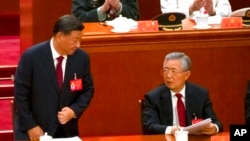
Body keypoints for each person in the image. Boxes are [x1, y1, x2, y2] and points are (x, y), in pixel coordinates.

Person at [14, 15, 94, 140]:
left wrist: (74, 110)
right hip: (35, 130)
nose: (78, 45)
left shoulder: (82, 58)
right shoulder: (31, 57)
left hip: (67, 132)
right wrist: (30, 125)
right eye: (75, 40)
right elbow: (20, 94)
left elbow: (88, 89)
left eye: (80, 40)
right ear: (60, 36)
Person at [142, 52, 222, 134]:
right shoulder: (153, 97)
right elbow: (149, 125)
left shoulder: (200, 94)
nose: (168, 76)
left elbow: (216, 123)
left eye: (174, 71)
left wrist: (214, 128)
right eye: (165, 71)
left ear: (186, 75)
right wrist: (171, 130)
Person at [72, 0, 140, 22]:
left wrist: (118, 6)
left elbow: (134, 16)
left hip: (123, 38)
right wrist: (102, 10)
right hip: (94, 38)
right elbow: (78, 18)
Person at [160, 0, 232, 18]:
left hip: (214, 34)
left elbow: (228, 11)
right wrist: (190, 9)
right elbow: (167, 14)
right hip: (184, 35)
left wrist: (212, 11)